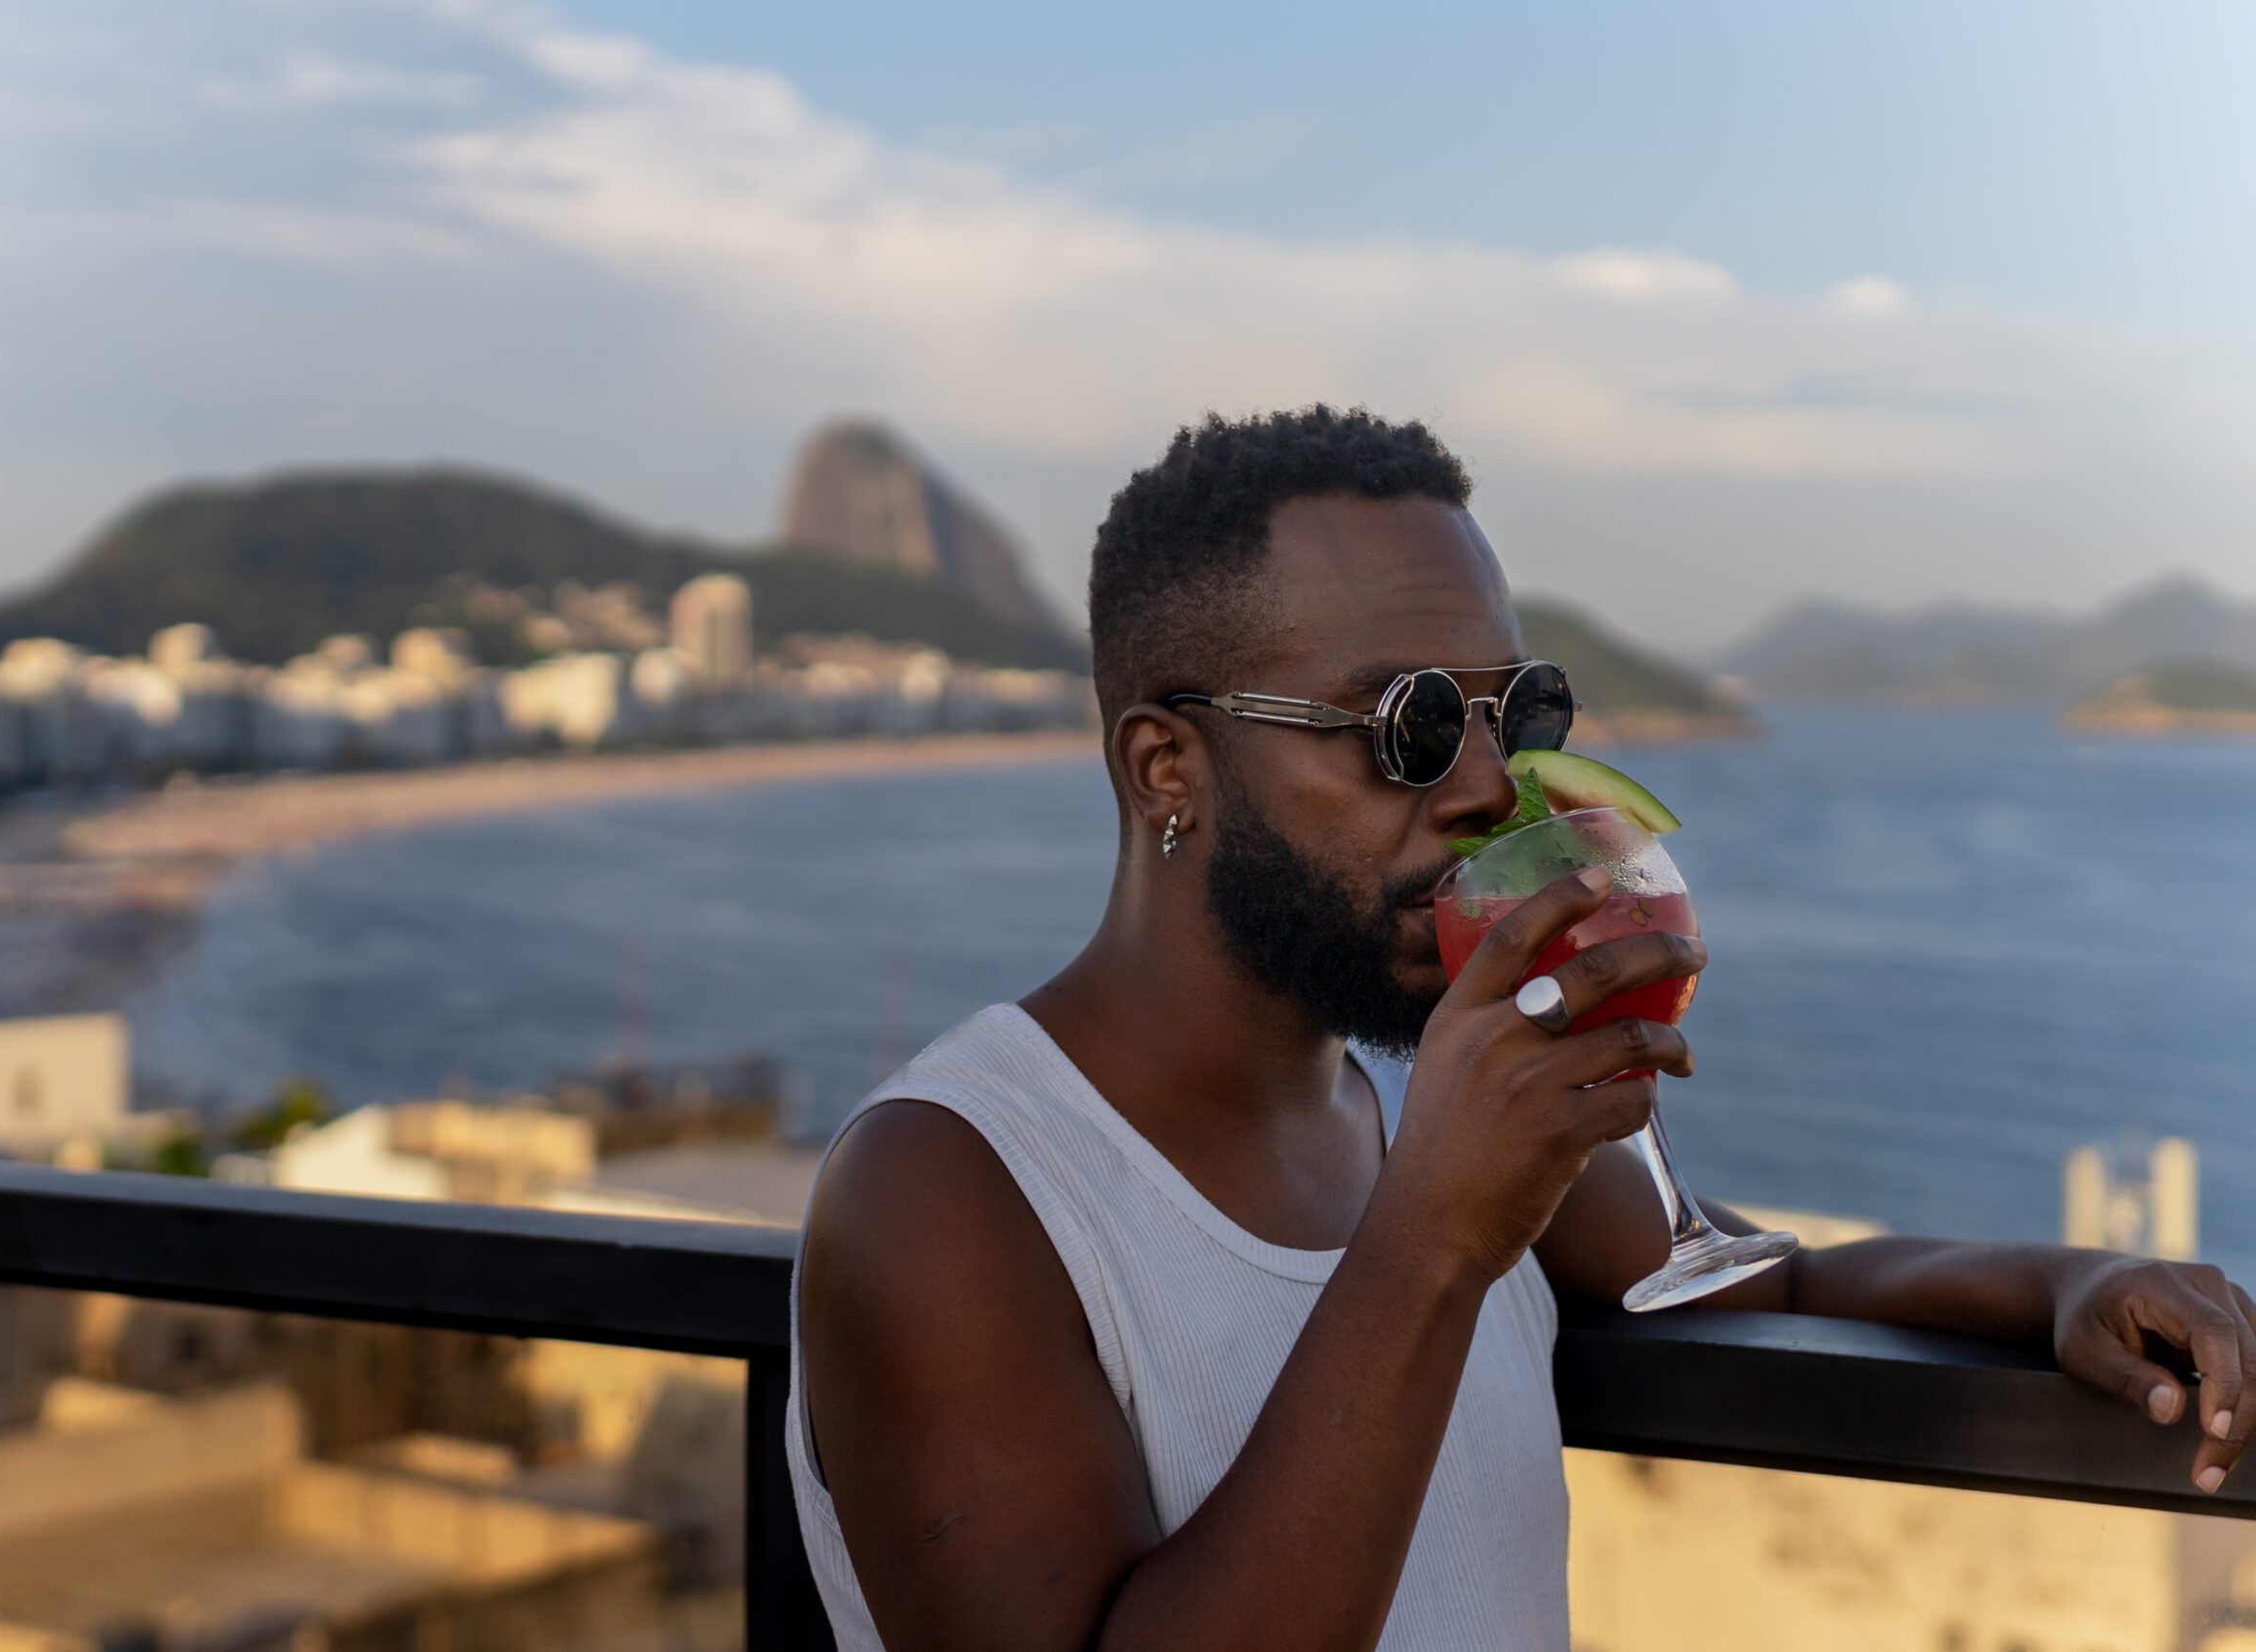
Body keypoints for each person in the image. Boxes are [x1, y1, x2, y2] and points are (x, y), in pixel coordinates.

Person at [787, 406, 2256, 1651]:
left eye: (1517, 710)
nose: (1497, 786)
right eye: (1409, 726)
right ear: (1170, 765)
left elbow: (1768, 1284)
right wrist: (1431, 1240)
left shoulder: (1393, 1104)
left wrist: (2070, 1284)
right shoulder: (954, 1192)